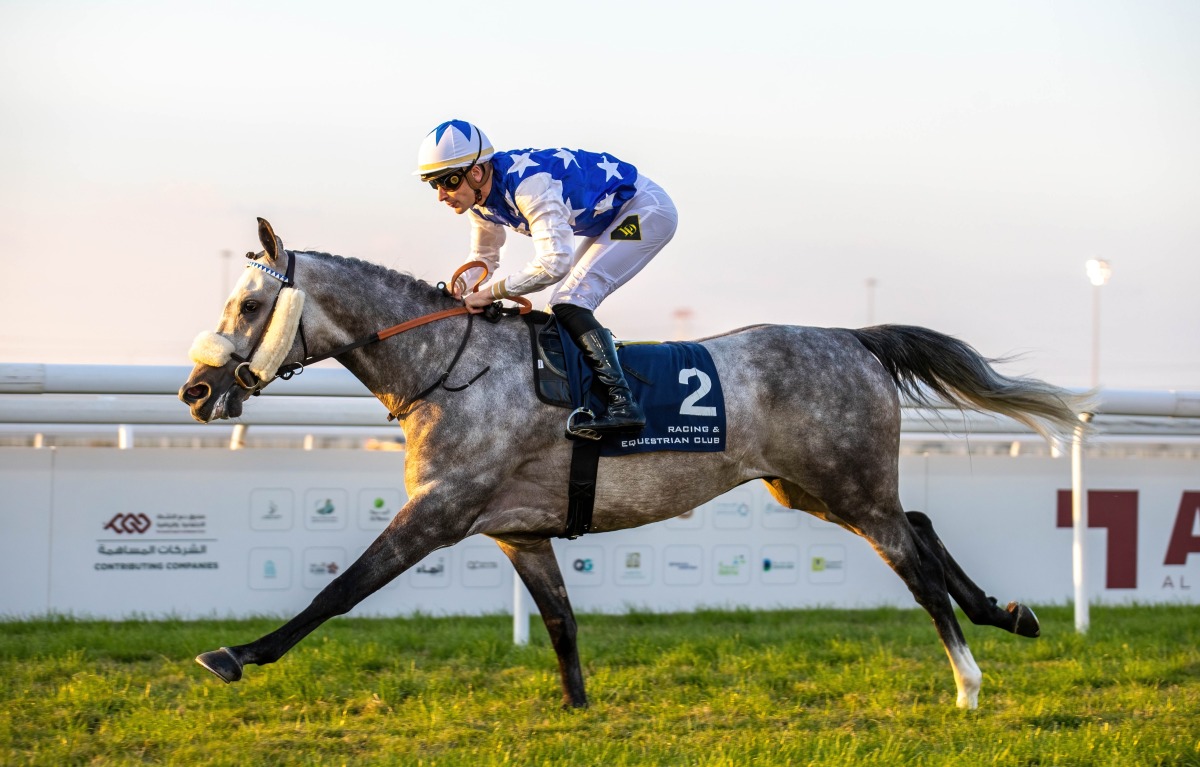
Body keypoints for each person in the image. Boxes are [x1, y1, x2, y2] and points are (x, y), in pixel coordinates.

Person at [415, 119, 679, 439]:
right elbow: (484, 258)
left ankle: (624, 405)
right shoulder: (480, 201)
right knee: (564, 305)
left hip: (645, 211)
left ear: (476, 172)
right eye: (434, 185)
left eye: (448, 182)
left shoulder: (530, 185)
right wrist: (460, 288)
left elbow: (554, 263)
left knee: (569, 300)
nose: (442, 195)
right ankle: (593, 392)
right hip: (610, 220)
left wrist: (489, 295)